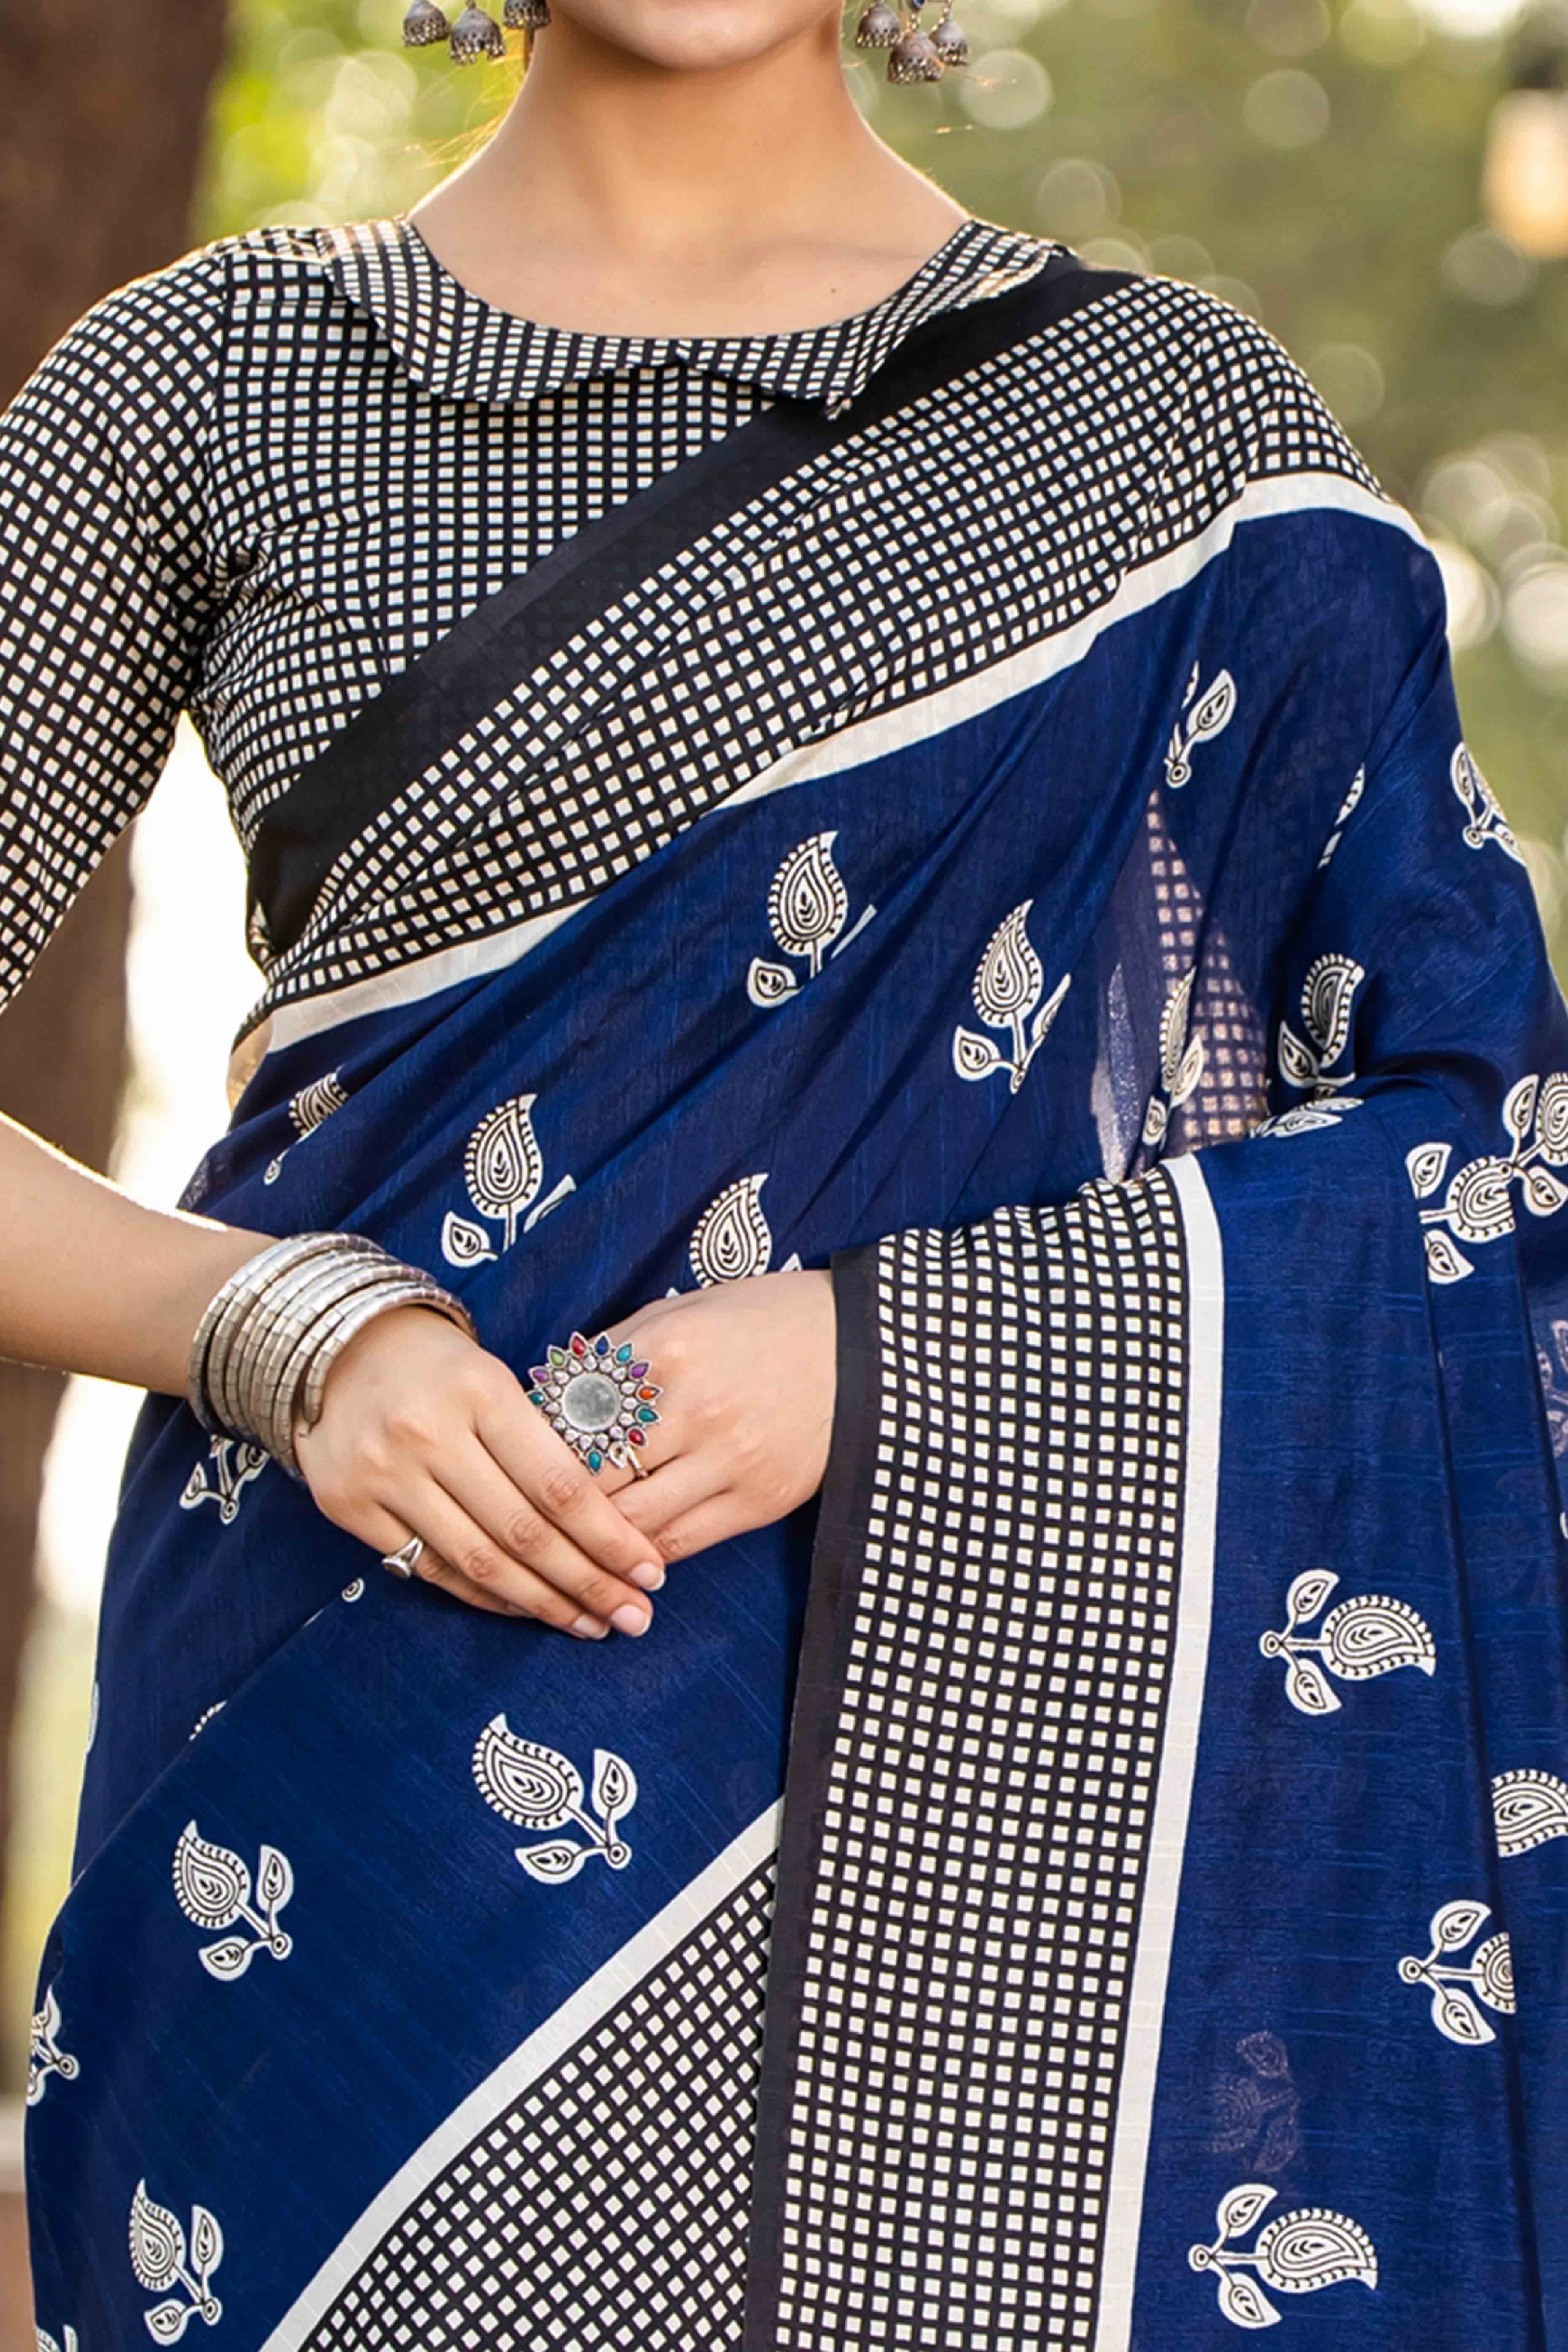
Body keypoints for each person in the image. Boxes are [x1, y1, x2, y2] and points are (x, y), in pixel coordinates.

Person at [4, 0, 1565, 2343]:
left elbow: (1479, 1155)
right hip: (340, 1796)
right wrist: (280, 1330)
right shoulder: (207, 382)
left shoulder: (1178, 438)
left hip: (994, 1835)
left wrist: (882, 1354)